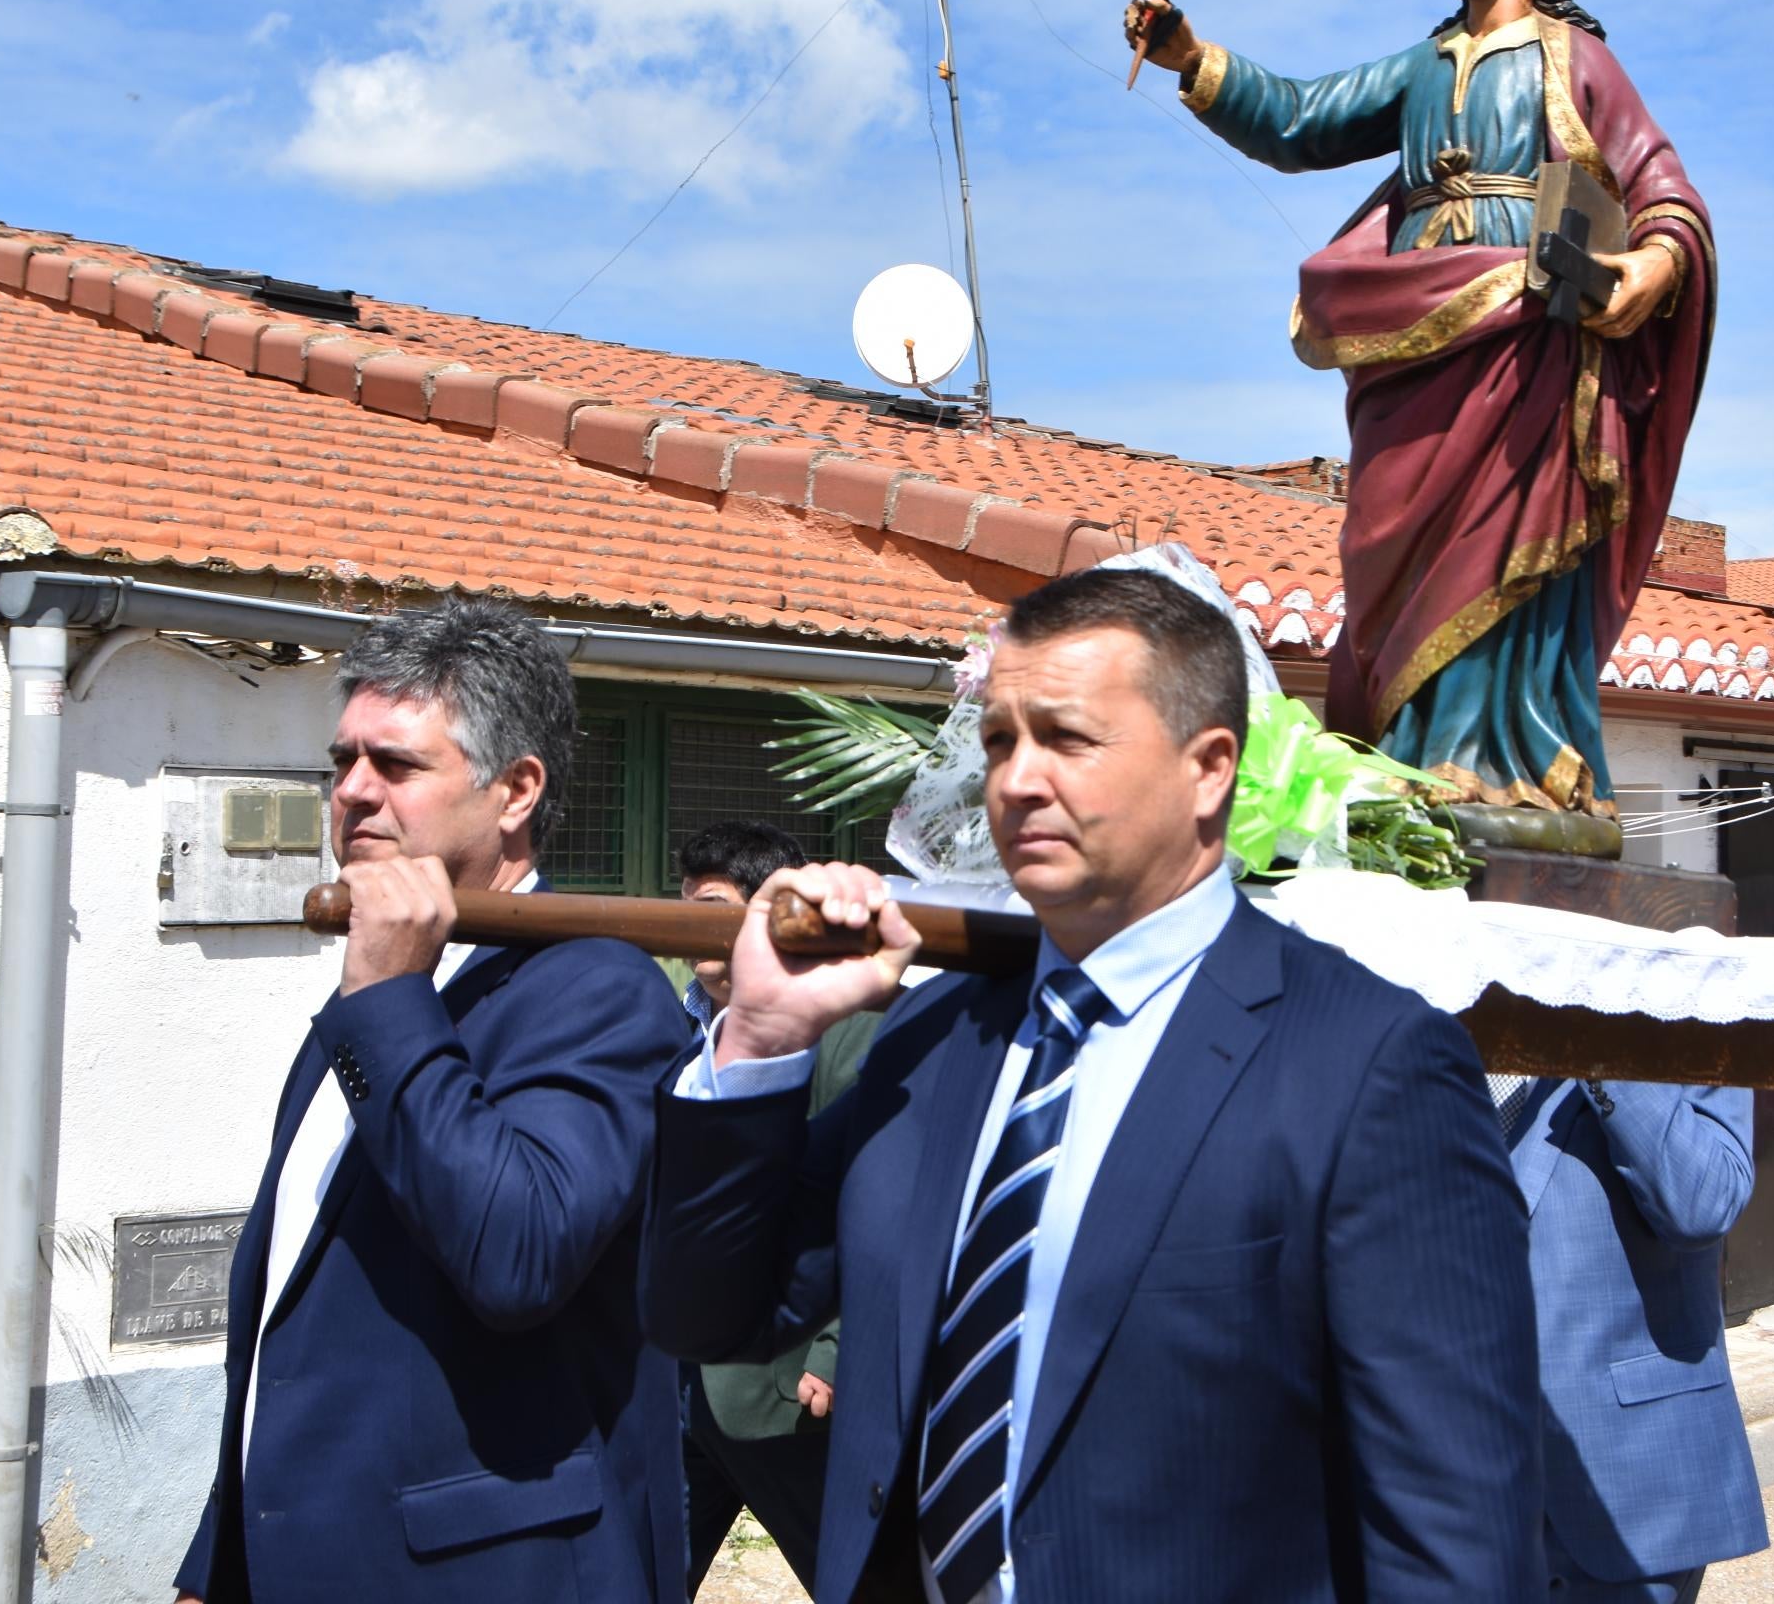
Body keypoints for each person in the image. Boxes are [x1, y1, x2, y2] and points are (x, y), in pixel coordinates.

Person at [641, 566, 1541, 1604]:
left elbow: (1454, 1525)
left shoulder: (1367, 1065)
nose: (1018, 778)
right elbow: (706, 1317)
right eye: (998, 741)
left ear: (1209, 768)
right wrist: (760, 1034)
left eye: (1066, 738)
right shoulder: (933, 1036)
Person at [1124, 0, 1711, 820]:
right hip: (1412, 329)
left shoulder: (1579, 60)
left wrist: (1654, 263)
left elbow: (1659, 181)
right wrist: (1191, 57)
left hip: (1527, 330)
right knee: (1386, 532)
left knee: (1508, 532)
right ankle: (1402, 748)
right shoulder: (1424, 65)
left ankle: (1507, 760)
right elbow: (1303, 118)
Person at [175, 597, 688, 1604]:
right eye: (342, 761)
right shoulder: (378, 998)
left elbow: (517, 1252)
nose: (355, 792)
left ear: (516, 789)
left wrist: (389, 996)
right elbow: (292, 1305)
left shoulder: (594, 989)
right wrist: (219, 1558)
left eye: (397, 765)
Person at [673, 819, 876, 1594]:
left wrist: (836, 1351)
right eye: (684, 903)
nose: (691, 922)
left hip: (785, 1390)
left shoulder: (848, 1030)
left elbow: (867, 1201)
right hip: (677, 1385)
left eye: (712, 905)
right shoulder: (670, 1021)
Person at [1499, 1073, 1766, 1601]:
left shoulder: (1690, 1002)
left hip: (1624, 1485)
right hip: (1458, 1483)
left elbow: (1705, 1202)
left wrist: (1599, 1041)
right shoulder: (1434, 1000)